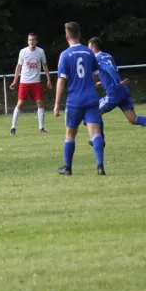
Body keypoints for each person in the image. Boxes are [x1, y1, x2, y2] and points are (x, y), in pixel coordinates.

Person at [87, 37, 146, 144]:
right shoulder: (108, 55)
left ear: (92, 46)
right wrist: (103, 82)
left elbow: (110, 70)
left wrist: (117, 83)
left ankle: (99, 139)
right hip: (123, 91)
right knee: (133, 119)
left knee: (93, 112)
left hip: (114, 93)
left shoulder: (98, 58)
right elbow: (108, 71)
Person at [54, 22, 105, 176]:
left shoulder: (64, 55)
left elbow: (62, 80)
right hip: (90, 98)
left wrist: (56, 104)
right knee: (95, 133)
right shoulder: (89, 53)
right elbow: (96, 74)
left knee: (70, 134)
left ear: (67, 37)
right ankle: (100, 166)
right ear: (80, 35)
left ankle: (68, 168)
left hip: (74, 100)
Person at [9, 33, 52, 135]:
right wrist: (15, 81)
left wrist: (48, 79)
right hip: (24, 82)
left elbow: (45, 65)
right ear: (27, 41)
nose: (31, 41)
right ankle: (13, 128)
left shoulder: (40, 52)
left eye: (33, 40)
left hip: (36, 82)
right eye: (29, 40)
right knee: (20, 104)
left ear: (36, 41)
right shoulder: (23, 52)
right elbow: (18, 67)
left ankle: (41, 128)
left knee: (40, 103)